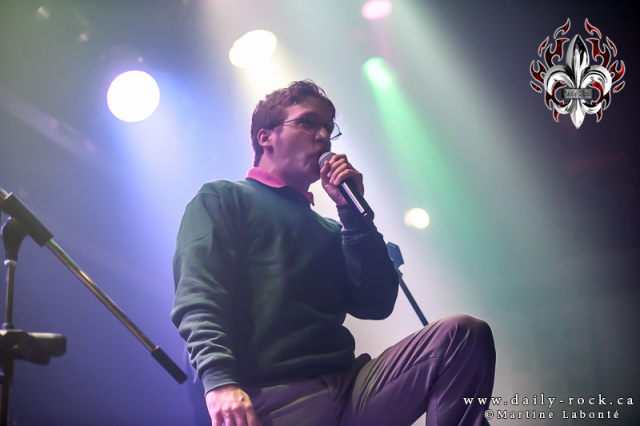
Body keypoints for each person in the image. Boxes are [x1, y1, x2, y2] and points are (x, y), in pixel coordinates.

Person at [171, 80, 496, 426]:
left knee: (463, 335)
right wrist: (220, 383)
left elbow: (376, 304)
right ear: (266, 137)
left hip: (351, 388)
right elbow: (198, 298)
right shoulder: (223, 198)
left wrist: (355, 219)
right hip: (273, 397)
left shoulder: (335, 230)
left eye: (328, 128)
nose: (324, 136)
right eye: (308, 122)